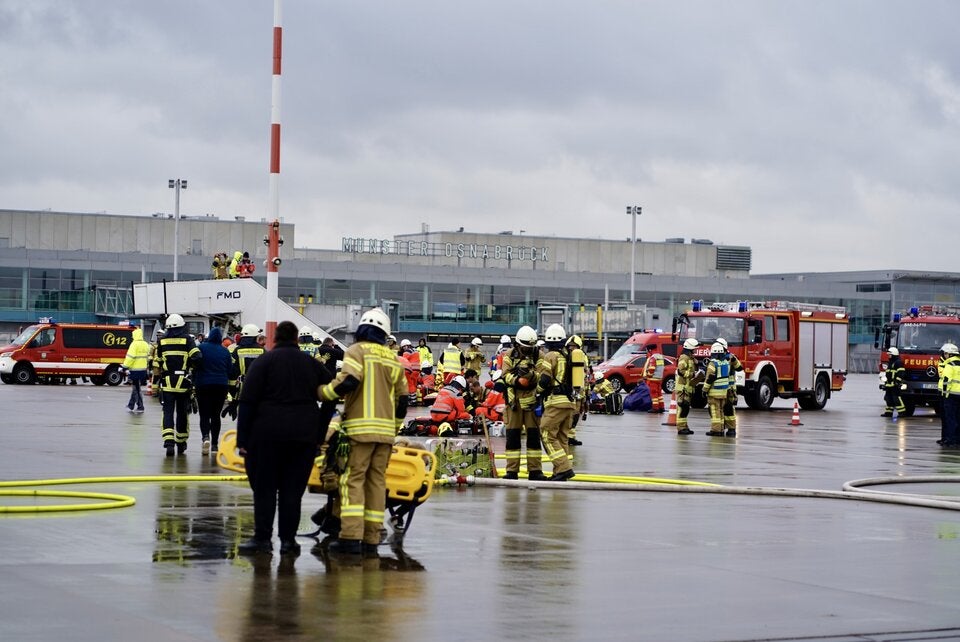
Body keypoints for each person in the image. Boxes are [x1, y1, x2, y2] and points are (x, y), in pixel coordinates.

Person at [236, 320, 337, 556]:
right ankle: (288, 542)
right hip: (303, 437)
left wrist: (243, 440)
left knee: (265, 490)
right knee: (292, 492)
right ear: (296, 340)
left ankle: (262, 539)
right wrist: (319, 432)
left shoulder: (263, 362)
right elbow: (332, 395)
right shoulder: (310, 364)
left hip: (266, 436)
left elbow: (247, 402)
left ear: (275, 339)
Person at [319, 307, 408, 556]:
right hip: (386, 435)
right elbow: (403, 400)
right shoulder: (393, 358)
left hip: (359, 430)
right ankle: (371, 538)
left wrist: (323, 392)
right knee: (377, 483)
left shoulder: (356, 351)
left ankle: (349, 537)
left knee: (352, 480)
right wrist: (394, 428)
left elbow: (349, 381)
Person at [500, 325, 545, 480]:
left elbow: (542, 376)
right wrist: (518, 380)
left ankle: (535, 470)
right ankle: (512, 471)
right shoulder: (509, 355)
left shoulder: (539, 355)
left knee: (533, 437)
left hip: (531, 403)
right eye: (525, 347)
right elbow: (504, 375)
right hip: (514, 403)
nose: (528, 350)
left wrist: (530, 376)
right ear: (517, 344)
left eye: (530, 347)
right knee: (512, 436)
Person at [154, 313, 202, 456]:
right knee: (182, 413)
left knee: (167, 412)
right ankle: (181, 443)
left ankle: (169, 443)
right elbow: (197, 356)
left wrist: (156, 385)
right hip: (183, 383)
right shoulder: (187, 339)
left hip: (167, 382)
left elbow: (157, 363)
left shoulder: (162, 341)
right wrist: (191, 368)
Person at [536, 324, 578, 481]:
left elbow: (545, 380)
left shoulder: (550, 356)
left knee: (546, 434)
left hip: (556, 402)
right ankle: (558, 473)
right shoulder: (568, 355)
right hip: (569, 403)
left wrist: (537, 391)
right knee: (561, 438)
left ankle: (564, 468)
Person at [194, 326, 232, 455]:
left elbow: (195, 364)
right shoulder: (225, 351)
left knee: (204, 414)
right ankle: (215, 445)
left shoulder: (202, 348)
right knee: (216, 415)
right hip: (220, 385)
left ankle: (205, 437)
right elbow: (230, 370)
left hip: (203, 384)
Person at [701, 342, 733, 437]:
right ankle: (721, 429)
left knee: (715, 412)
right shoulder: (726, 363)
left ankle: (716, 430)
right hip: (723, 392)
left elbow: (709, 379)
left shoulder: (713, 363)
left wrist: (704, 390)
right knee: (721, 411)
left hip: (714, 392)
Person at [121, 325, 151, 414]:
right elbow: (148, 357)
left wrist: (124, 366)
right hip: (143, 370)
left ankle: (140, 406)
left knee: (136, 389)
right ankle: (130, 405)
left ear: (135, 335)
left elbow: (130, 357)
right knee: (136, 387)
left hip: (134, 370)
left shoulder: (134, 344)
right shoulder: (145, 344)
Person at [716, 337, 743, 432]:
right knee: (727, 408)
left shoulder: (725, 358)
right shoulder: (730, 357)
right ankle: (728, 429)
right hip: (727, 388)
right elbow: (739, 367)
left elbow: (739, 368)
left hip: (726, 388)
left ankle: (727, 428)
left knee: (725, 408)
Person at [675, 338, 700, 435]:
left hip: (688, 387)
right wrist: (692, 374)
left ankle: (685, 427)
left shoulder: (690, 358)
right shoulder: (684, 358)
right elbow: (681, 371)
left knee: (686, 409)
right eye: (694, 349)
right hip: (683, 388)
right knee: (682, 408)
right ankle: (681, 428)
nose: (695, 351)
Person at [938, 343, 960, 447]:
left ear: (949, 354)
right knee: (958, 418)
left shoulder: (949, 365)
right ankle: (957, 440)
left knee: (950, 418)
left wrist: (945, 395)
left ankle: (950, 440)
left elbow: (946, 381)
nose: (944, 355)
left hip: (950, 396)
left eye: (945, 353)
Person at [881, 347, 906, 418]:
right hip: (889, 385)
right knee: (888, 398)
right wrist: (885, 383)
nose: (889, 356)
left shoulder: (898, 362)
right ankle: (888, 412)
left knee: (896, 399)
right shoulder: (890, 362)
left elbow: (901, 373)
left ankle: (902, 412)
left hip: (894, 385)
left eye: (890, 354)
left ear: (894, 354)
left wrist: (897, 382)